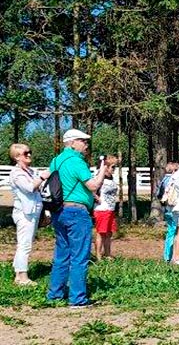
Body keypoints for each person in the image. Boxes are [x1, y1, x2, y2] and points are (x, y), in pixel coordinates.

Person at [47, 128, 106, 308]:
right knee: (80, 256)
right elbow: (93, 185)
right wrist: (102, 170)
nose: (86, 145)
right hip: (77, 213)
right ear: (72, 143)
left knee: (61, 254)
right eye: (83, 141)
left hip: (60, 212)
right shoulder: (76, 161)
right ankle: (77, 299)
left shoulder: (56, 161)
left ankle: (55, 294)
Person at [8, 144, 50, 286]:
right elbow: (29, 187)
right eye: (26, 153)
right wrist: (43, 176)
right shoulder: (16, 173)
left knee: (26, 242)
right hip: (25, 214)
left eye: (30, 152)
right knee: (24, 244)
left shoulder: (30, 172)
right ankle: (22, 277)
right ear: (17, 157)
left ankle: (18, 273)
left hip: (33, 212)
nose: (29, 155)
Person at [93, 155, 119, 261]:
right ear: (105, 167)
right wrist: (97, 198)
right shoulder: (99, 177)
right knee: (101, 233)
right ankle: (98, 256)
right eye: (113, 167)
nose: (114, 169)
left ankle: (107, 254)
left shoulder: (110, 178)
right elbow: (90, 188)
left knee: (109, 233)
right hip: (102, 210)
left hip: (110, 209)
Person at [157, 162, 179, 262]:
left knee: (170, 232)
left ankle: (167, 255)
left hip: (166, 209)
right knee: (176, 232)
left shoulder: (163, 180)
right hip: (175, 209)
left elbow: (159, 194)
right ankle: (173, 256)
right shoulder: (174, 180)